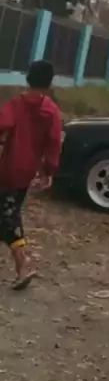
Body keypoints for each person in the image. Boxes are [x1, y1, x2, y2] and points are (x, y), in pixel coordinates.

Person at [0, 60, 63, 290]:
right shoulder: (52, 111)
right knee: (8, 212)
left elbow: (2, 123)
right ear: (50, 82)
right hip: (27, 172)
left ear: (28, 79)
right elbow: (54, 144)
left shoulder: (17, 104)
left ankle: (23, 262)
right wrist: (48, 172)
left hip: (7, 169)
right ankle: (22, 263)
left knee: (8, 218)